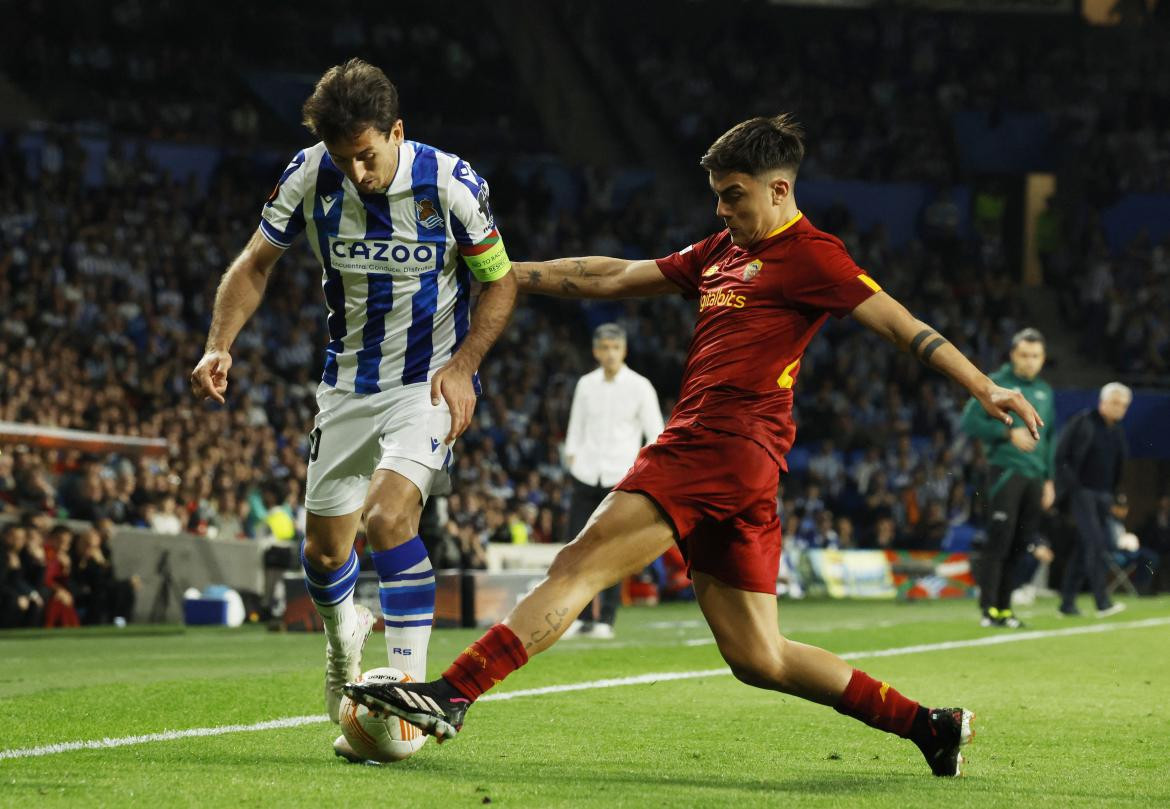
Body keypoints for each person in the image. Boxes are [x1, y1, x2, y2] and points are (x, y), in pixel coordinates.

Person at [346, 114, 1041, 777]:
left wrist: (984, 385)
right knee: (758, 655)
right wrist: (508, 271)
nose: (722, 211)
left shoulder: (813, 255)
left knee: (580, 562)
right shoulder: (721, 252)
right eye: (717, 197)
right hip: (742, 465)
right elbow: (615, 276)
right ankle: (930, 726)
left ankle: (453, 693)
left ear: (780, 188)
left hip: (719, 440)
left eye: (733, 196)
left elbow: (900, 324)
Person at [189, 59, 516, 738]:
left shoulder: (451, 185)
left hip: (426, 382)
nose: (358, 173)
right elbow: (254, 263)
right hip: (346, 385)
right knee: (324, 552)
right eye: (346, 159)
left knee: (389, 518)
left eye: (367, 155)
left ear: (397, 131)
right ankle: (344, 643)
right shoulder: (310, 173)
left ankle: (410, 705)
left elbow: (501, 281)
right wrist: (219, 342)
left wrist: (465, 365)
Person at [562, 322, 664, 639]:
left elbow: (656, 433)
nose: (609, 353)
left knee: (611, 550)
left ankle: (605, 619)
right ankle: (577, 618)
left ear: (624, 350)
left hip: (620, 476)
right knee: (577, 546)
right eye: (604, 348)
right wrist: (572, 457)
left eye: (615, 348)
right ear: (595, 350)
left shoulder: (639, 386)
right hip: (586, 473)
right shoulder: (586, 384)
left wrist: (640, 470)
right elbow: (575, 426)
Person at [959, 327, 1055, 629]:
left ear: (1043, 359)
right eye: (1024, 355)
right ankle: (988, 610)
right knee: (999, 542)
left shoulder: (1045, 391)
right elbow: (969, 421)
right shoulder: (997, 384)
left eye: (1036, 356)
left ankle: (1005, 608)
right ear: (1013, 354)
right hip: (1006, 472)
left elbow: (1048, 437)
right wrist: (1006, 432)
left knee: (1020, 544)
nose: (1030, 361)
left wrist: (1049, 479)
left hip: (1034, 477)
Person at [1053, 382, 1131, 617]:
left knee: (1085, 546)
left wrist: (1117, 497)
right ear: (1103, 402)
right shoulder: (1083, 422)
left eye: (1124, 405)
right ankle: (1102, 602)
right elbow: (1061, 455)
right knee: (1097, 543)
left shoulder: (1117, 431)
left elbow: (1117, 468)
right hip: (1082, 492)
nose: (1119, 409)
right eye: (1115, 403)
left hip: (1104, 495)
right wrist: (1071, 487)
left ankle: (1067, 604)